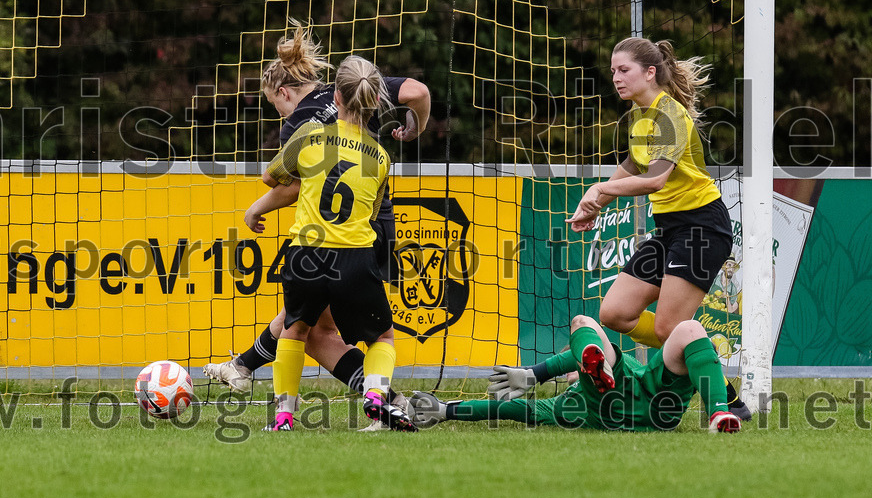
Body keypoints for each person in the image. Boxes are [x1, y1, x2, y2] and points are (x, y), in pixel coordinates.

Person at [203, 21, 429, 420]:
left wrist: (257, 207)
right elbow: (418, 92)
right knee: (314, 324)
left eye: (277, 107)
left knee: (310, 327)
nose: (281, 115)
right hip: (375, 223)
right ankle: (243, 368)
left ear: (284, 93)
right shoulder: (354, 87)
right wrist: (415, 128)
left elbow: (289, 184)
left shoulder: (302, 125)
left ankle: (370, 403)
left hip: (325, 237)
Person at [565, 36, 748, 419]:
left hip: (702, 227)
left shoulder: (670, 115)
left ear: (650, 72)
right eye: (613, 70)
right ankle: (695, 352)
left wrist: (600, 188)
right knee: (614, 313)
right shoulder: (639, 116)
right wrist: (596, 203)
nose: (616, 77)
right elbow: (633, 168)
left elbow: (654, 181)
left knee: (669, 328)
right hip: (669, 230)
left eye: (624, 70)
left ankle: (727, 399)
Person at [244, 54, 416, 431]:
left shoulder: (306, 135)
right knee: (383, 336)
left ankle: (284, 418)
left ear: (335, 96)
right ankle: (374, 395)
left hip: (304, 255)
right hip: (354, 257)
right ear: (373, 102)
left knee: (295, 329)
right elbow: (371, 212)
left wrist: (257, 208)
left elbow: (272, 178)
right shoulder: (383, 158)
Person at [408, 315, 741, 433]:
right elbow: (505, 408)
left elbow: (505, 409)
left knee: (688, 329)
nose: (572, 370)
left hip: (631, 396)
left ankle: (718, 416)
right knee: (584, 324)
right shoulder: (563, 406)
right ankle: (721, 412)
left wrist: (444, 411)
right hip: (658, 409)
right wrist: (444, 410)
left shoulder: (563, 408)